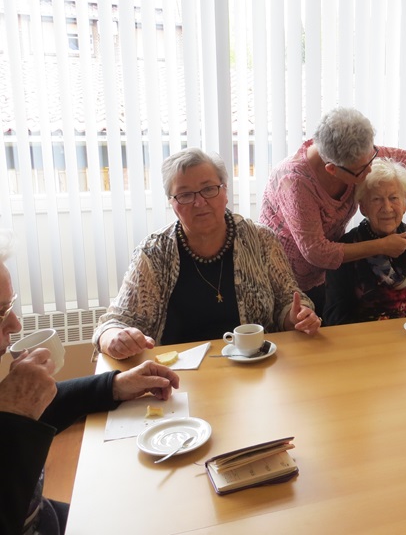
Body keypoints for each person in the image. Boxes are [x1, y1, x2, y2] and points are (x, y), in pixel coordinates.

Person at [0, 238, 180, 535]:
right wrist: (14, 416)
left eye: (10, 306)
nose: (16, 324)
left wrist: (115, 386)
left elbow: (40, 411)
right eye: (1, 311)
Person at [94, 148, 321, 360]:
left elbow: (288, 303)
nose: (199, 202)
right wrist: (113, 336)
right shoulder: (155, 252)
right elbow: (115, 322)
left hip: (255, 367)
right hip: (180, 375)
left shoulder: (261, 239)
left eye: (209, 189)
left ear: (225, 192)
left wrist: (297, 318)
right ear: (172, 203)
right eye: (184, 195)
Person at [259, 107, 406, 315]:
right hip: (287, 282)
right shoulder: (294, 182)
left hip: (326, 273)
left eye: (372, 158)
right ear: (332, 169)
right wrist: (381, 246)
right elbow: (316, 252)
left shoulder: (356, 156)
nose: (370, 169)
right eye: (362, 170)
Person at [324, 159, 406, 325]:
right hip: (368, 344)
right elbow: (335, 317)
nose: (387, 208)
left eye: (393, 198)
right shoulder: (347, 248)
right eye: (377, 199)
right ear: (363, 207)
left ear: (405, 204)